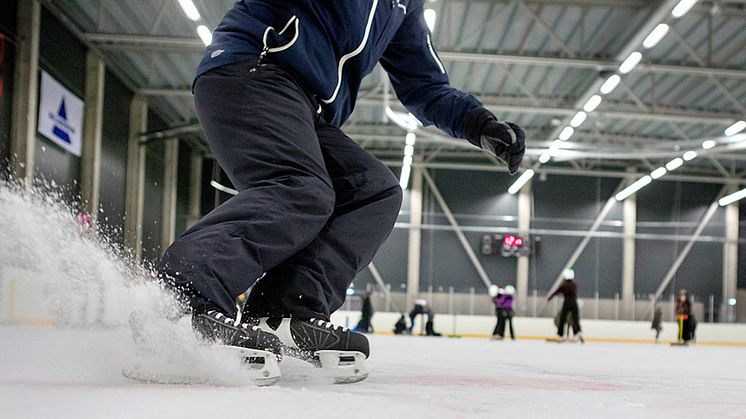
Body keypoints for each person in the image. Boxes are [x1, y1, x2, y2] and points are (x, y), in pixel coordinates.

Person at [156, 0, 525, 379]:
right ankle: (182, 295)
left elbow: (425, 85)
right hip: (253, 66)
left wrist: (479, 125)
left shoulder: (403, 6)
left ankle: (286, 308)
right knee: (300, 186)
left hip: (306, 106)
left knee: (373, 191)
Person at [548, 269, 584, 343]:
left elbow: (556, 292)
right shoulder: (574, 285)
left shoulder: (564, 286)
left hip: (567, 303)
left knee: (562, 319)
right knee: (575, 319)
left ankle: (560, 335)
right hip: (574, 303)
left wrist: (549, 298)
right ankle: (577, 332)